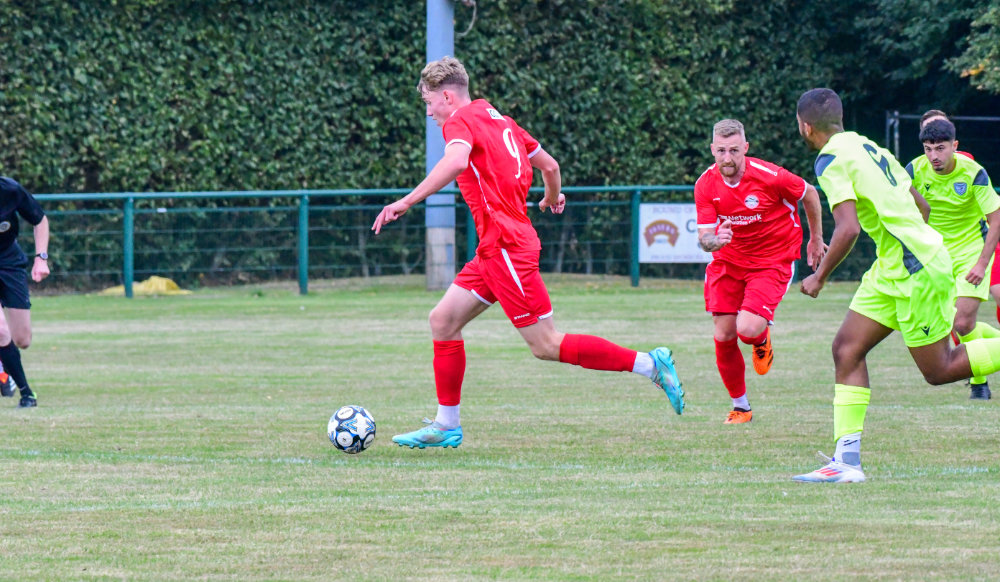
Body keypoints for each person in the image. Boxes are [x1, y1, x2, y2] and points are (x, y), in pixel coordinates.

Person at [371, 56, 683, 448]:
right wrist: (551, 197)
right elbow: (550, 166)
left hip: (506, 247)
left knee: (546, 344)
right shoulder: (502, 120)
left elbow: (456, 160)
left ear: (447, 97)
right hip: (495, 248)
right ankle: (446, 424)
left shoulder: (460, 121)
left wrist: (407, 201)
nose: (429, 112)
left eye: (429, 102)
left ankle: (650, 364)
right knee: (443, 321)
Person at [791, 88, 1000, 483]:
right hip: (893, 267)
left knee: (939, 369)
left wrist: (819, 276)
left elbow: (848, 228)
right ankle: (846, 463)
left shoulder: (830, 158)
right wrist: (908, 243)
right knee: (846, 349)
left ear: (805, 127)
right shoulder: (868, 145)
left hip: (915, 268)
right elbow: (922, 206)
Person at [694, 119, 825, 424]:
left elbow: (809, 194)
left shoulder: (770, 176)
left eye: (734, 150)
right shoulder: (705, 184)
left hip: (771, 260)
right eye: (721, 151)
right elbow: (705, 238)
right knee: (723, 334)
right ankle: (741, 408)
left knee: (748, 329)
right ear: (712, 150)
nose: (727, 158)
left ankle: (761, 339)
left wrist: (816, 238)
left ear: (746, 148)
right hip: (728, 262)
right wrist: (716, 240)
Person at [906, 117, 1000, 400]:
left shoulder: (974, 173)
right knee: (951, 325)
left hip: (970, 253)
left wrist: (982, 263)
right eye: (928, 148)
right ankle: (983, 373)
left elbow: (996, 220)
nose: (934, 155)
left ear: (954, 146)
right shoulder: (914, 169)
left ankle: (979, 385)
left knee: (962, 322)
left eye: (940, 148)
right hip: (935, 256)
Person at [0, 176, 50, 408]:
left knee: (22, 339)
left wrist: (41, 258)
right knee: (1, 332)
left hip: (9, 261)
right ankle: (26, 392)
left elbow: (40, 220)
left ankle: (3, 366)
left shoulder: (10, 190)